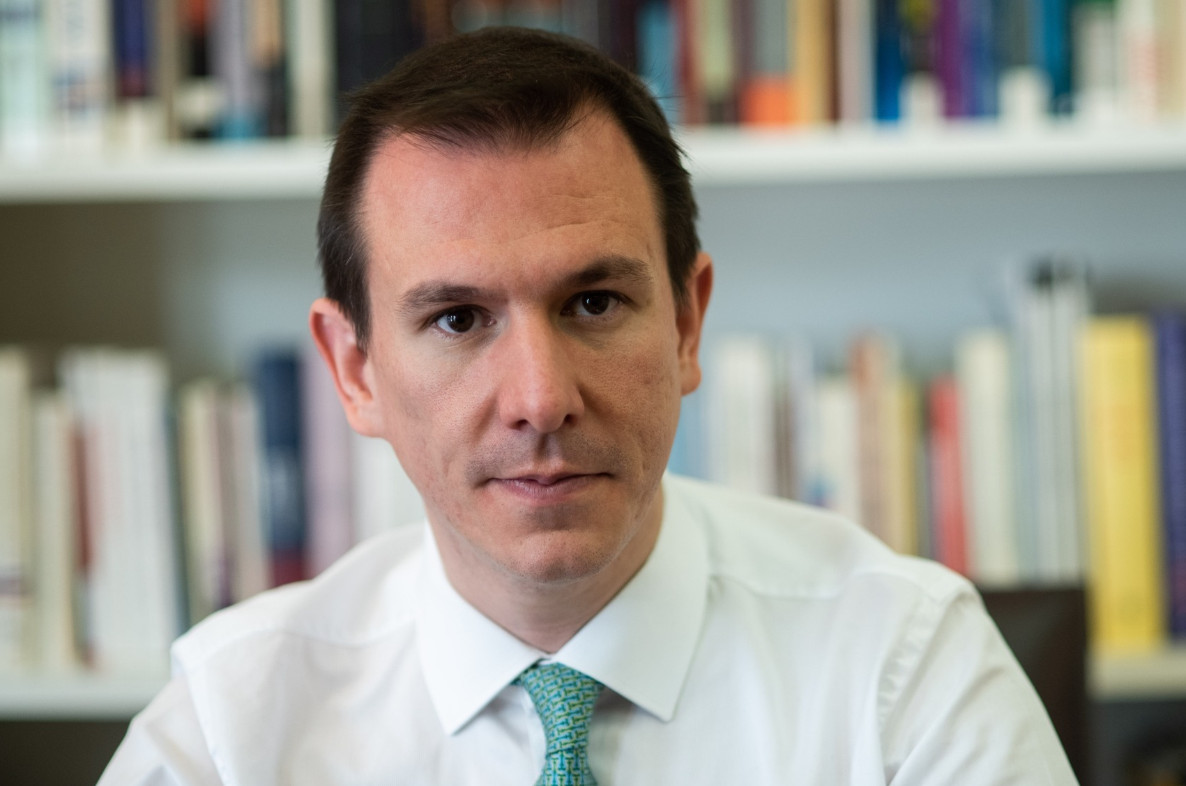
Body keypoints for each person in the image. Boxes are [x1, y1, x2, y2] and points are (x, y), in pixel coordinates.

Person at [100, 26, 1077, 785]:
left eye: (595, 303)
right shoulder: (230, 729)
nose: (540, 400)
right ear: (355, 371)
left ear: (686, 324)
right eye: (456, 320)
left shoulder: (902, 668)